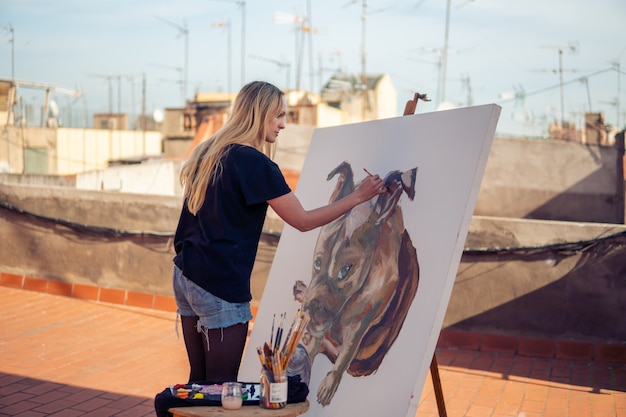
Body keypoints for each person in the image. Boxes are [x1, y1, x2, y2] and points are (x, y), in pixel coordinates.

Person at [172, 80, 385, 383]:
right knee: (220, 388)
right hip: (217, 283)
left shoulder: (208, 151)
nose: (283, 125)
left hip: (186, 274)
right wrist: (358, 197)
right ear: (258, 115)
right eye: (278, 116)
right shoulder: (255, 163)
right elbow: (302, 220)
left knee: (199, 382)